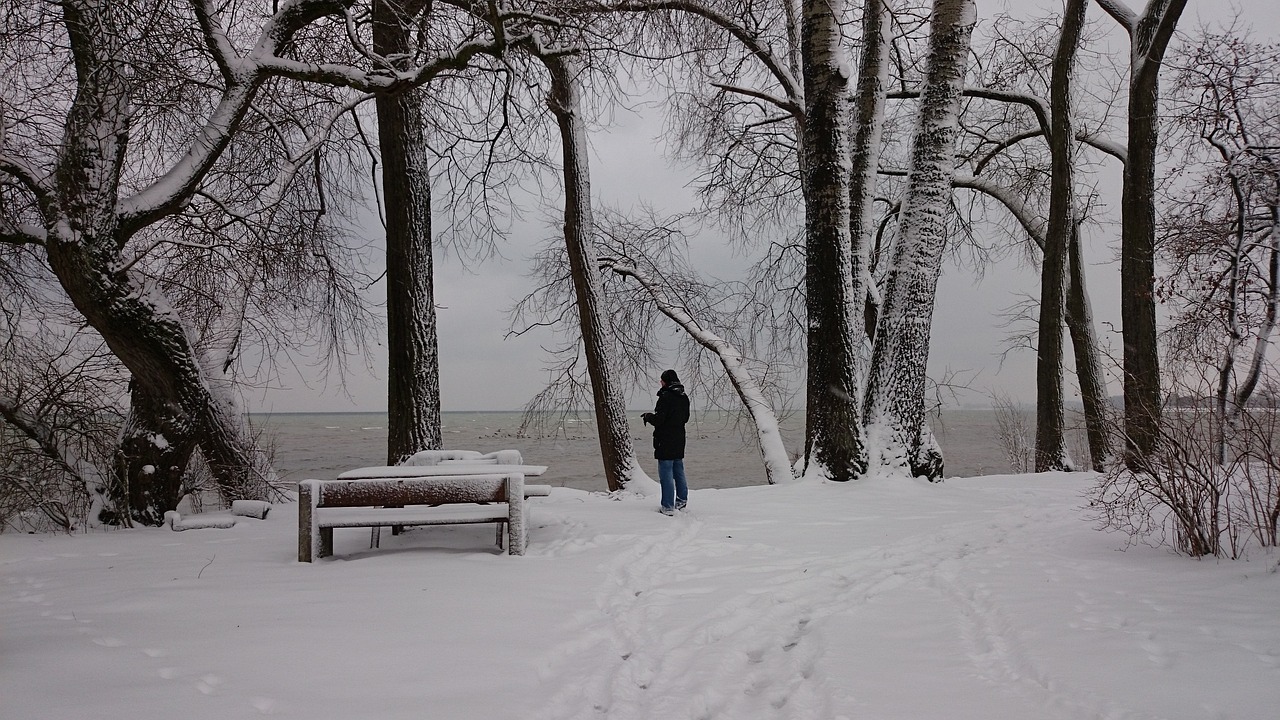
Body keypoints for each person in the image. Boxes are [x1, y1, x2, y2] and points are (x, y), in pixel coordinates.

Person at [641, 369, 690, 514]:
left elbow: (660, 420)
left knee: (666, 474)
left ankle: (668, 506)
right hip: (679, 438)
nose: (660, 382)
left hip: (665, 440)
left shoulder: (666, 397)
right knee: (679, 471)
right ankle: (682, 500)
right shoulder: (683, 397)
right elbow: (685, 418)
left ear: (666, 381)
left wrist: (649, 417)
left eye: (662, 380)